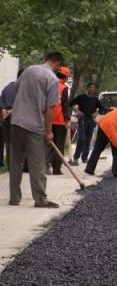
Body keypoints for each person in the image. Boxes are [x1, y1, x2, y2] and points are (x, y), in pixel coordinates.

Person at [9, 51, 64, 208]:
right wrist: (48, 131)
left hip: (16, 120)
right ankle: (40, 199)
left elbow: (16, 88)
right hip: (34, 125)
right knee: (38, 163)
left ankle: (14, 198)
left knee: (16, 161)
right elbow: (50, 109)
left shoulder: (28, 70)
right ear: (58, 63)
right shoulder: (52, 79)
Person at [69, 83, 105, 165]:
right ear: (87, 88)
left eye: (93, 88)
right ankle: (76, 158)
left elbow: (102, 108)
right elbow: (71, 103)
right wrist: (77, 111)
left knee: (88, 140)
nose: (92, 89)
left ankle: (85, 157)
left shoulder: (95, 99)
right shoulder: (81, 97)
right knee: (81, 138)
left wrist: (96, 113)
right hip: (82, 120)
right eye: (90, 87)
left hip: (91, 121)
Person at [46, 66, 71, 175]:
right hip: (59, 121)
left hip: (48, 120)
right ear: (66, 77)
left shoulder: (48, 85)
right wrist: (67, 120)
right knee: (59, 145)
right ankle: (56, 169)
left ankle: (46, 161)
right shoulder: (63, 88)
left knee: (48, 143)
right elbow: (65, 105)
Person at [0, 69, 24, 169]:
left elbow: (1, 101)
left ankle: (11, 166)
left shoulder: (7, 87)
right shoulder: (23, 89)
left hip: (6, 118)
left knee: (9, 142)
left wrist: (4, 110)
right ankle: (17, 166)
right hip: (19, 119)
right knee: (18, 143)